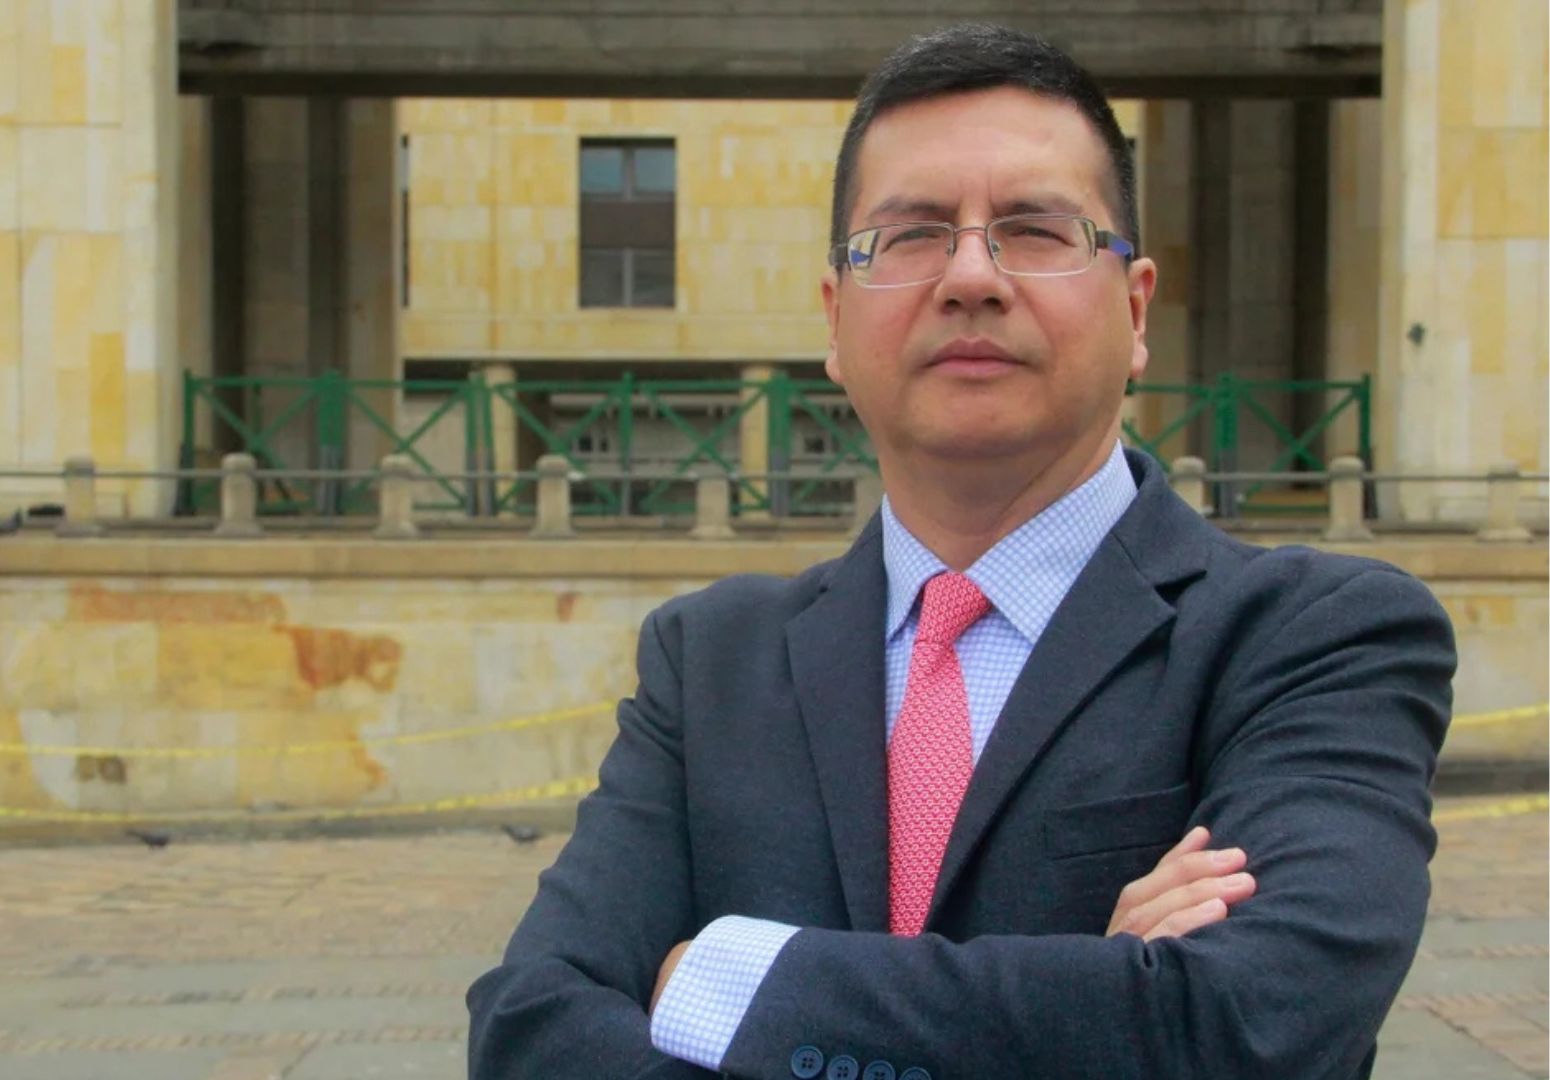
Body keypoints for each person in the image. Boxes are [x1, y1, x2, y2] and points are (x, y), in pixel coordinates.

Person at [468, 23, 1454, 1080]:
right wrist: (1099, 988)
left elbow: (1248, 1026)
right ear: (834, 323)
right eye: (911, 236)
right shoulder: (709, 661)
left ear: (1134, 311)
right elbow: (530, 1029)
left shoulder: (1312, 638)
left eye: (1034, 230)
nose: (971, 276)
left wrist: (727, 981)